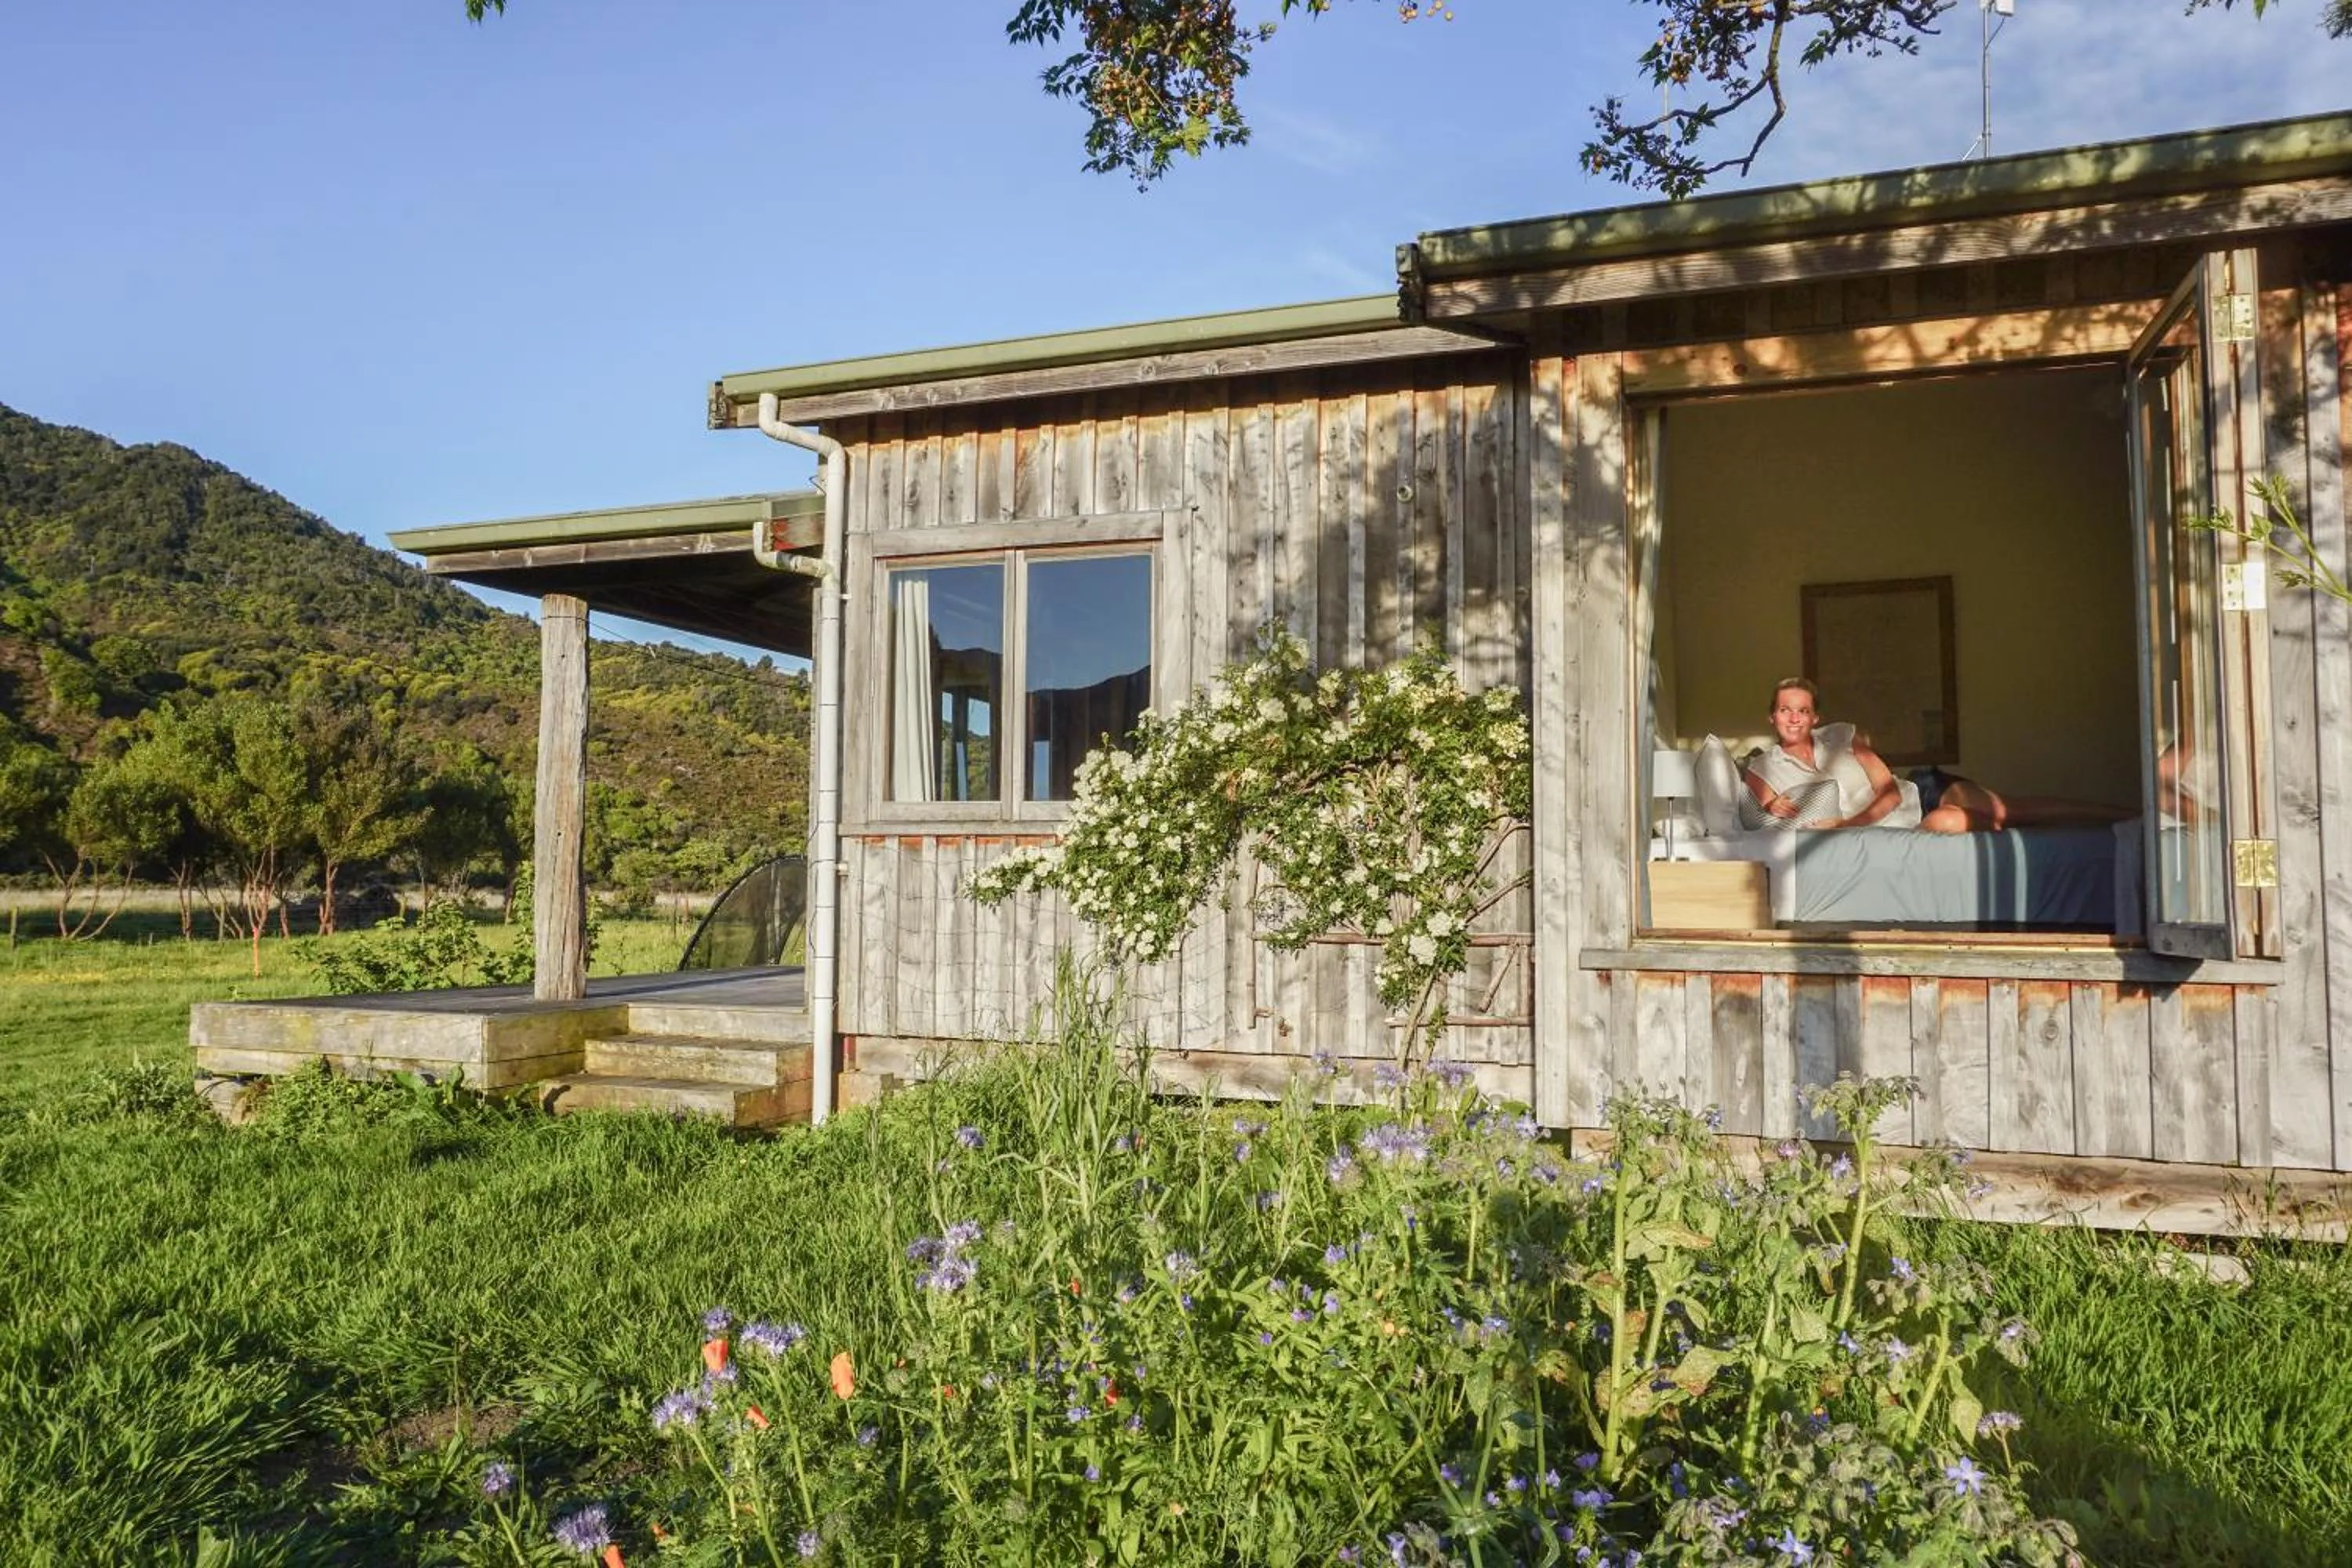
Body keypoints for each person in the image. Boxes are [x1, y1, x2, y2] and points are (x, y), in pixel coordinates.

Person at [1745, 678, 2131, 835]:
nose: (1793, 718)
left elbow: (1891, 793)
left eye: (1802, 710)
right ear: (1772, 716)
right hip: (1913, 826)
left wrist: (1850, 825)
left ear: (1815, 717)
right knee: (1948, 823)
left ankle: (2122, 816)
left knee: (2007, 810)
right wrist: (1774, 804)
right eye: (1785, 710)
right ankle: (2066, 841)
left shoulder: (1840, 739)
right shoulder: (1764, 765)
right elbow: (1762, 808)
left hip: (1921, 791)